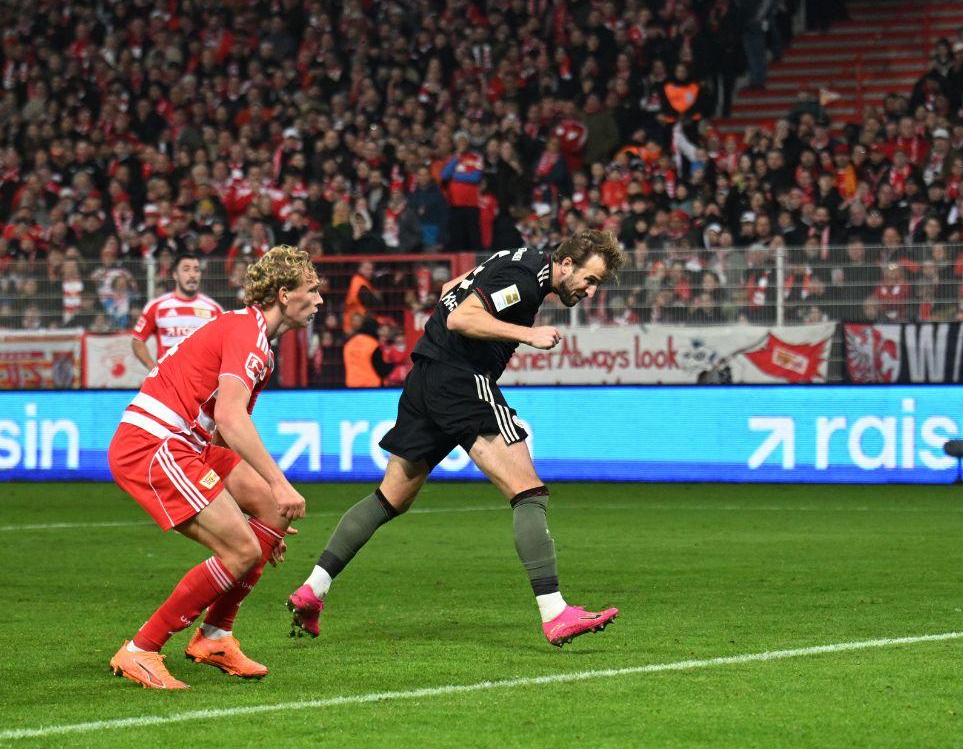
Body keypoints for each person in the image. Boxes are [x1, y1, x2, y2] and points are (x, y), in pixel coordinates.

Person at [289, 230, 626, 647]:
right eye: (589, 280)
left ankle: (312, 590)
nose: (590, 292)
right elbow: (461, 317)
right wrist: (528, 335)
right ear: (567, 264)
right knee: (529, 493)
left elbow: (451, 290)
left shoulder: (516, 256)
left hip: (425, 377)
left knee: (390, 497)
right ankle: (555, 613)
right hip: (461, 380)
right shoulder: (525, 281)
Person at [107, 246, 322, 689]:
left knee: (271, 515)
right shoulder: (248, 336)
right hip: (154, 444)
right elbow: (230, 416)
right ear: (284, 294)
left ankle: (215, 636)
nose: (319, 300)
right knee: (242, 548)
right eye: (312, 290)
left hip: (189, 442)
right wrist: (278, 483)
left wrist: (266, 522)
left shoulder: (253, 336)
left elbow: (222, 430)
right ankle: (141, 649)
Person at [131, 253, 224, 370]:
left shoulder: (214, 309)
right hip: (168, 383)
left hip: (202, 383)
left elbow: (225, 346)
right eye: (186, 270)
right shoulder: (157, 306)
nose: (192, 275)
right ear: (175, 275)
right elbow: (137, 341)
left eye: (196, 270)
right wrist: (153, 368)